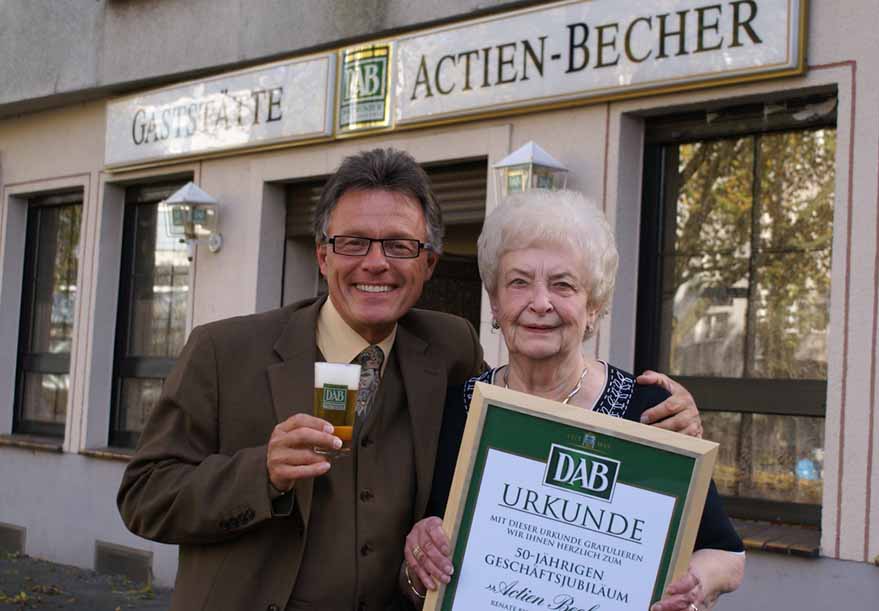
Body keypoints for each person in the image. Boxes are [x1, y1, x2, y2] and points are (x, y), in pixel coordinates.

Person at [117, 149, 704, 611]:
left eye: (399, 245)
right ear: (323, 255)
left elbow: (524, 424)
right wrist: (259, 472)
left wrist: (668, 426)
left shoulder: (448, 349)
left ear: (427, 263)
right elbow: (145, 497)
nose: (376, 262)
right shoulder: (224, 351)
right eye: (354, 243)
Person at [399, 190, 744, 611]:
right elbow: (419, 575)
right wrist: (418, 561)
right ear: (494, 300)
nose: (540, 303)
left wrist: (690, 587)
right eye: (519, 282)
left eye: (563, 285)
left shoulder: (650, 410)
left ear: (593, 306)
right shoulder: (456, 413)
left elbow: (727, 556)